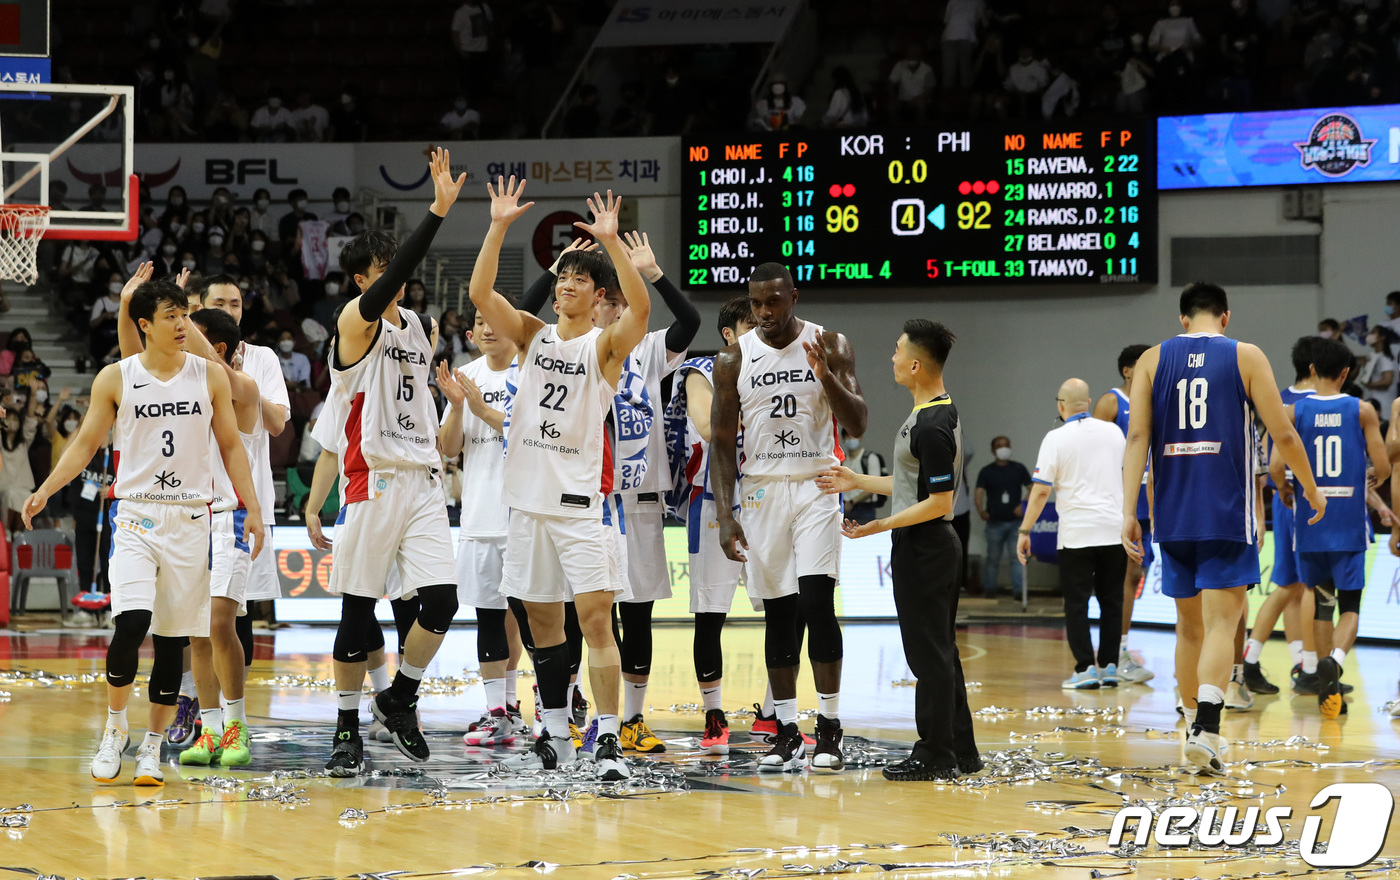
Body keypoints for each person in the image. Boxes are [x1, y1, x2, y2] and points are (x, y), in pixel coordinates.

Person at [22, 278, 264, 786]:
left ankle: (152, 747)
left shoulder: (209, 377)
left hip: (190, 518)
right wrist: (45, 489)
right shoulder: (116, 377)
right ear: (144, 326)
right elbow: (86, 443)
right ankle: (115, 729)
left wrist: (254, 508)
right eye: (171, 316)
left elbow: (232, 448)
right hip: (134, 514)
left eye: (184, 314)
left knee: (172, 641)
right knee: (132, 622)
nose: (182, 324)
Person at [469, 176, 650, 781]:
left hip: (578, 505)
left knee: (596, 619)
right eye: (562, 278)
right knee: (541, 623)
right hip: (527, 506)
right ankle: (552, 733)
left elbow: (643, 310)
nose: (566, 285)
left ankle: (606, 737)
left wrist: (611, 244)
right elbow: (479, 290)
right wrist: (497, 226)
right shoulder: (531, 335)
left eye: (579, 279)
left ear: (598, 295)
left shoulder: (605, 346)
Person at [1122, 282, 1324, 775]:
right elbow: (1284, 433)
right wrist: (1312, 489)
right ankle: (1208, 730)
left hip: (1171, 512)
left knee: (1187, 627)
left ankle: (1191, 727)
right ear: (1225, 318)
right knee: (1221, 624)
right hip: (1227, 511)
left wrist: (1128, 510)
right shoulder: (1246, 355)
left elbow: (1137, 436)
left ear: (1184, 319)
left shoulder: (1151, 359)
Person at [518, 231, 700, 755]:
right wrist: (559, 270)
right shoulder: (561, 343)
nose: (614, 305)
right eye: (610, 296)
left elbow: (688, 323)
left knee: (634, 611)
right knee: (576, 613)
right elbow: (518, 318)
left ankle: (629, 719)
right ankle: (570, 710)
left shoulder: (641, 343)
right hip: (580, 492)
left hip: (635, 496)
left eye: (621, 297)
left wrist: (651, 272)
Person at [322, 148, 466, 776]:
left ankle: (399, 697)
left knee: (442, 601)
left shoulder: (418, 326)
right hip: (373, 480)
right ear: (362, 279)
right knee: (358, 612)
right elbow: (399, 269)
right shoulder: (354, 321)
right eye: (383, 269)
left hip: (424, 478)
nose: (398, 276)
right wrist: (436, 212)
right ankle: (345, 727)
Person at [712, 262, 867, 772]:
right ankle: (786, 731)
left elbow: (859, 422)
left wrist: (825, 377)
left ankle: (829, 728)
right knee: (779, 611)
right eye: (756, 304)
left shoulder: (831, 343)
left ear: (793, 297)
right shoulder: (734, 359)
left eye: (773, 302)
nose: (764, 313)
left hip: (817, 484)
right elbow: (719, 442)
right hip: (760, 491)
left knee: (818, 601)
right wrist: (724, 511)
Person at [816, 319, 980, 781]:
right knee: (940, 652)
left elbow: (939, 502)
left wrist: (881, 524)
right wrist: (858, 480)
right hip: (928, 544)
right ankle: (961, 751)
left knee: (928, 656)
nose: (890, 358)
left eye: (896, 350)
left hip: (927, 547)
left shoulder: (931, 424)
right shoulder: (933, 412)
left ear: (914, 363)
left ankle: (935, 753)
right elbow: (912, 487)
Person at [188, 274, 290, 706]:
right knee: (193, 626)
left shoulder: (256, 365)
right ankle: (197, 710)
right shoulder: (181, 366)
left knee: (228, 619)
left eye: (235, 303)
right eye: (218, 303)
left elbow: (278, 421)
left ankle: (233, 717)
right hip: (189, 507)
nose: (229, 309)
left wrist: (231, 378)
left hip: (240, 505)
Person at [1273, 338, 1388, 719]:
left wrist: (1287, 488)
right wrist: (1368, 477)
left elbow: (1276, 465)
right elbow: (1383, 466)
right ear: (1345, 373)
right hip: (1348, 526)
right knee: (1350, 607)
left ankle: (1324, 678)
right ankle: (1334, 663)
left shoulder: (1294, 410)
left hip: (1310, 525)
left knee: (1321, 604)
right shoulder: (1361, 408)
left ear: (1310, 370)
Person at [663, 296, 757, 755]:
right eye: (751, 323)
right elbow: (704, 425)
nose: (762, 328)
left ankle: (774, 712)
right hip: (713, 499)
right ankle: (714, 713)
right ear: (729, 333)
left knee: (784, 608)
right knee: (709, 615)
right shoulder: (700, 370)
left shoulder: (782, 365)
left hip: (767, 499)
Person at [436, 291, 527, 747]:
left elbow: (527, 436)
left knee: (533, 620)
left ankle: (553, 709)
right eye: (480, 320)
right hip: (479, 517)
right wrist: (455, 406)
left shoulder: (531, 372)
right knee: (490, 619)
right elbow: (448, 449)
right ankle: (498, 712)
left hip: (526, 516)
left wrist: (480, 410)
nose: (489, 327)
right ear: (471, 333)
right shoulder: (464, 377)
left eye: (497, 318)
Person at [1018, 379, 1127, 689]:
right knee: (1112, 602)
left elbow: (1040, 491)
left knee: (1076, 604)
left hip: (1077, 535)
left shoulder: (1056, 438)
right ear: (1088, 402)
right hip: (1113, 530)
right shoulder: (1114, 432)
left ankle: (1084, 669)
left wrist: (1025, 530)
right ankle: (1109, 667)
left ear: (1060, 405)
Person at [1243, 337, 1321, 695]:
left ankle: (1301, 664)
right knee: (1293, 586)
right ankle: (1252, 659)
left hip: (1288, 499)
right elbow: (1277, 458)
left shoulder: (1281, 396)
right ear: (1316, 368)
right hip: (1298, 499)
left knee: (1295, 586)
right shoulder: (1312, 402)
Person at [1092, 344, 1155, 683]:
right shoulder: (1112, 401)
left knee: (1134, 577)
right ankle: (1116, 652)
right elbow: (1094, 450)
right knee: (1119, 579)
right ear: (1129, 370)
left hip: (1155, 498)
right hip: (1123, 499)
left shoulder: (1158, 399)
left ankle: (1119, 649)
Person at [975, 436, 1031, 599]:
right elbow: (978, 492)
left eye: (1006, 445)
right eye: (999, 446)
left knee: (1017, 558)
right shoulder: (987, 471)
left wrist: (1023, 505)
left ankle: (1020, 593)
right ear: (993, 450)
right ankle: (990, 590)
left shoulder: (1019, 468)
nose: (1003, 448)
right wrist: (981, 511)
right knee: (992, 559)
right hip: (994, 523)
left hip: (1015, 523)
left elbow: (1033, 488)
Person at [840, 427, 888, 524]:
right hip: (845, 508)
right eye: (847, 437)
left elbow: (875, 485)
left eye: (853, 437)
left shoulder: (870, 458)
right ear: (843, 439)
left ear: (860, 437)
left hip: (864, 509)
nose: (850, 440)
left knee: (865, 536)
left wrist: (852, 502)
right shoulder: (843, 461)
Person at [889, 44, 935, 122]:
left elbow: (929, 90)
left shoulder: (927, 70)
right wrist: (894, 97)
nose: (912, 56)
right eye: (909, 54)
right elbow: (890, 83)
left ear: (919, 55)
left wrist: (917, 99)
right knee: (891, 106)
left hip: (920, 99)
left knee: (921, 105)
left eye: (914, 54)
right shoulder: (900, 65)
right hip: (902, 100)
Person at [1358, 326, 1397, 414]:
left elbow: (1387, 381)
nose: (1370, 335)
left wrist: (1370, 385)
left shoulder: (1385, 358)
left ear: (1382, 337)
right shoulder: (1372, 356)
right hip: (1371, 402)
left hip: (1383, 404)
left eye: (1373, 333)